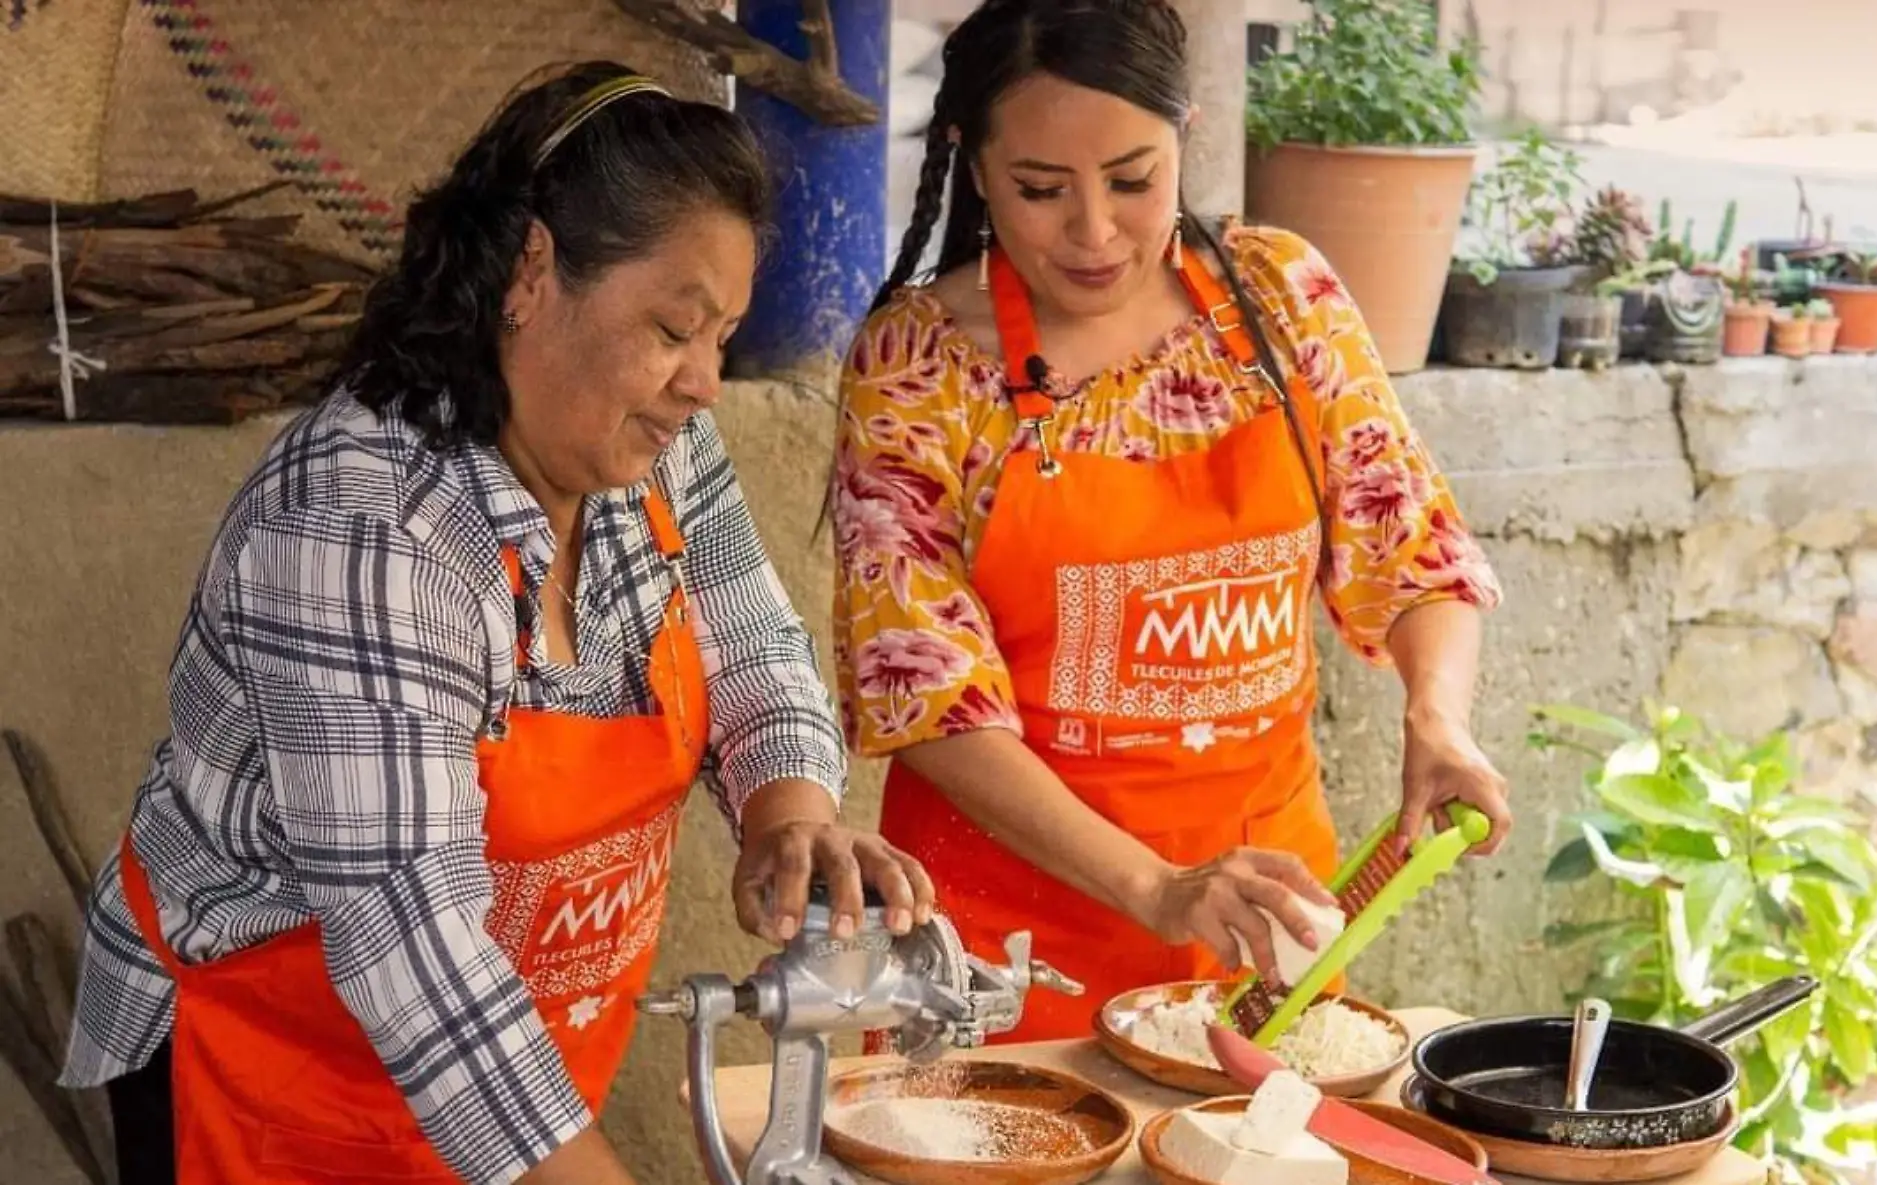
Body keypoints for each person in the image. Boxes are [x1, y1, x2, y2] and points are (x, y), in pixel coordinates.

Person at [61, 61, 934, 1185]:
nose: (706, 384)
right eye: (675, 327)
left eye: (724, 337)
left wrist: (789, 810)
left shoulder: (655, 447)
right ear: (530, 270)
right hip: (285, 1076)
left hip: (505, 1077)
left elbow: (755, 647)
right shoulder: (364, 533)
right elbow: (413, 959)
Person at [829, 0, 1510, 1045]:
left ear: (1183, 135)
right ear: (971, 163)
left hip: (1263, 940)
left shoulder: (1282, 298)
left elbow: (1410, 543)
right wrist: (1155, 888)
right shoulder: (917, 364)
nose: (1094, 232)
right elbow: (922, 694)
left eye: (1133, 179)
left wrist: (1436, 715)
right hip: (1000, 958)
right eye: (1041, 189)